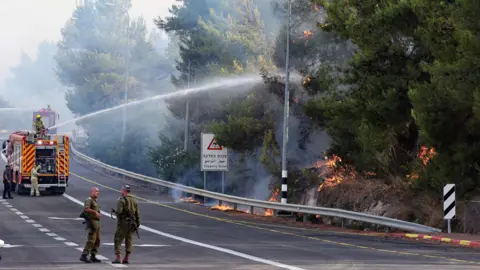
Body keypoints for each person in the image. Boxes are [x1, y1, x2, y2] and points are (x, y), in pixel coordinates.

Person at [112, 185, 140, 264]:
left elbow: (119, 212)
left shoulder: (121, 200)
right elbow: (137, 214)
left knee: (118, 239)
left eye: (122, 190)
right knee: (129, 240)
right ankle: (126, 258)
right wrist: (137, 224)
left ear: (124, 191)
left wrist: (116, 212)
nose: (121, 192)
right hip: (132, 223)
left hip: (123, 223)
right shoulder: (134, 200)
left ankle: (118, 257)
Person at [80, 187, 102, 263]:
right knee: (92, 239)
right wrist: (95, 212)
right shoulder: (89, 200)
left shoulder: (94, 201)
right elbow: (86, 209)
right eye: (96, 191)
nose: (97, 193)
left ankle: (93, 256)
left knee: (97, 240)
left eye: (98, 191)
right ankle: (84, 255)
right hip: (92, 222)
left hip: (97, 222)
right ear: (92, 192)